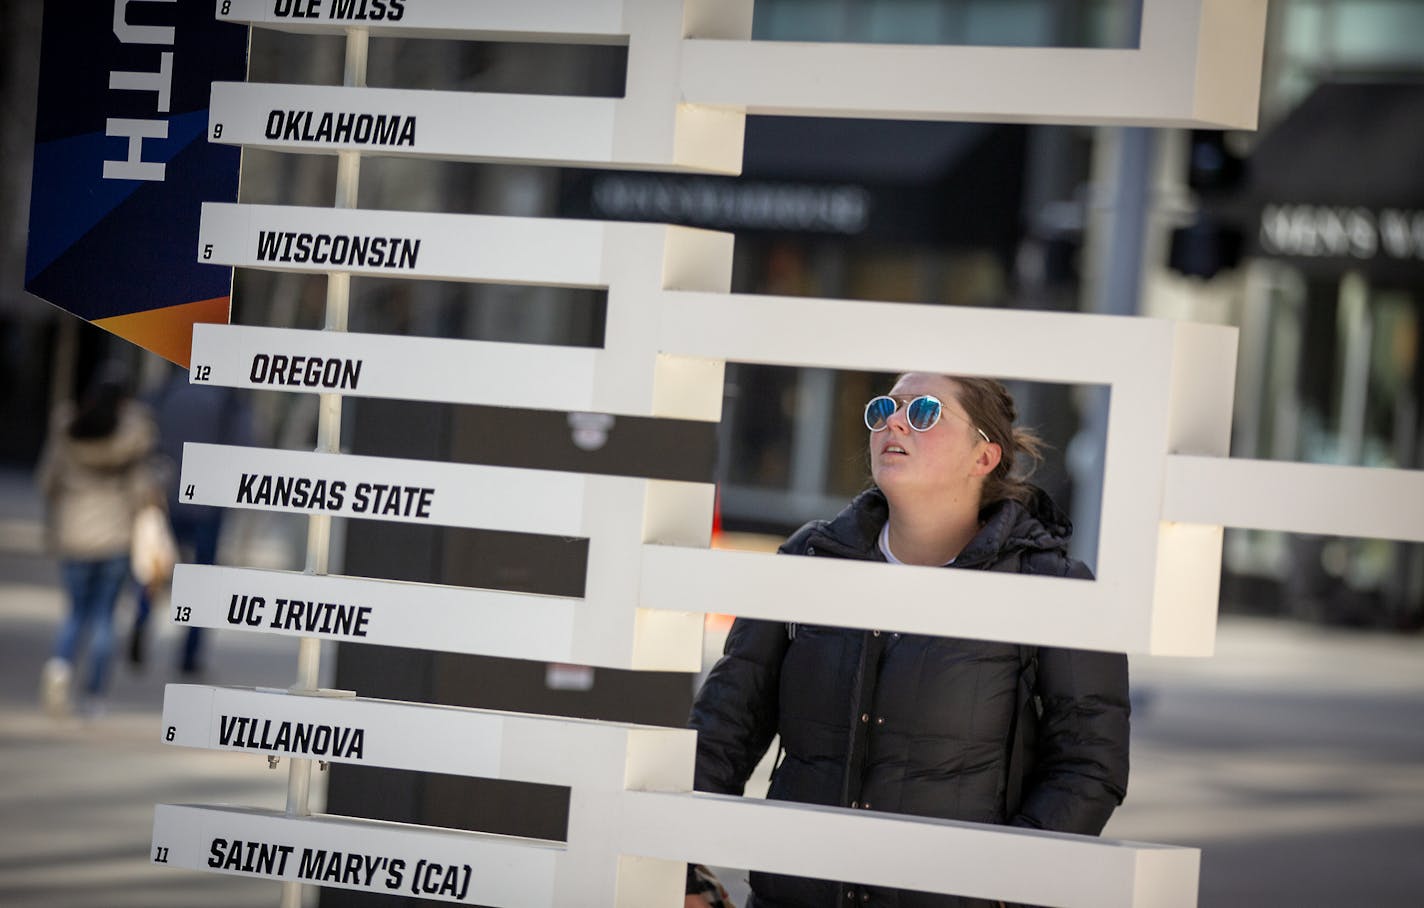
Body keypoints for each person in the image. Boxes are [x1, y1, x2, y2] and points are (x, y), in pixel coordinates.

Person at [686, 373, 1130, 908]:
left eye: (923, 412)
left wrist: (1009, 888)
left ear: (984, 457)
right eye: (884, 409)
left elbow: (1088, 767)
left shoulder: (1049, 587)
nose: (893, 421)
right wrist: (682, 865)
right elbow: (723, 729)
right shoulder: (812, 560)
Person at [37, 363, 158, 717]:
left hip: (74, 536)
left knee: (75, 612)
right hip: (116, 538)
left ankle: (59, 668)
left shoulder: (67, 431)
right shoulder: (132, 439)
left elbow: (46, 482)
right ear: (124, 402)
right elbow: (143, 492)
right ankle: (93, 698)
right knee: (105, 618)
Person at [127, 365, 253, 675]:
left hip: (166, 495)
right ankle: (189, 653)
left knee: (153, 566)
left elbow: (143, 437)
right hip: (208, 501)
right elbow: (244, 446)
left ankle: (141, 623)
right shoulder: (228, 399)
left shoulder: (166, 390)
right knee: (202, 581)